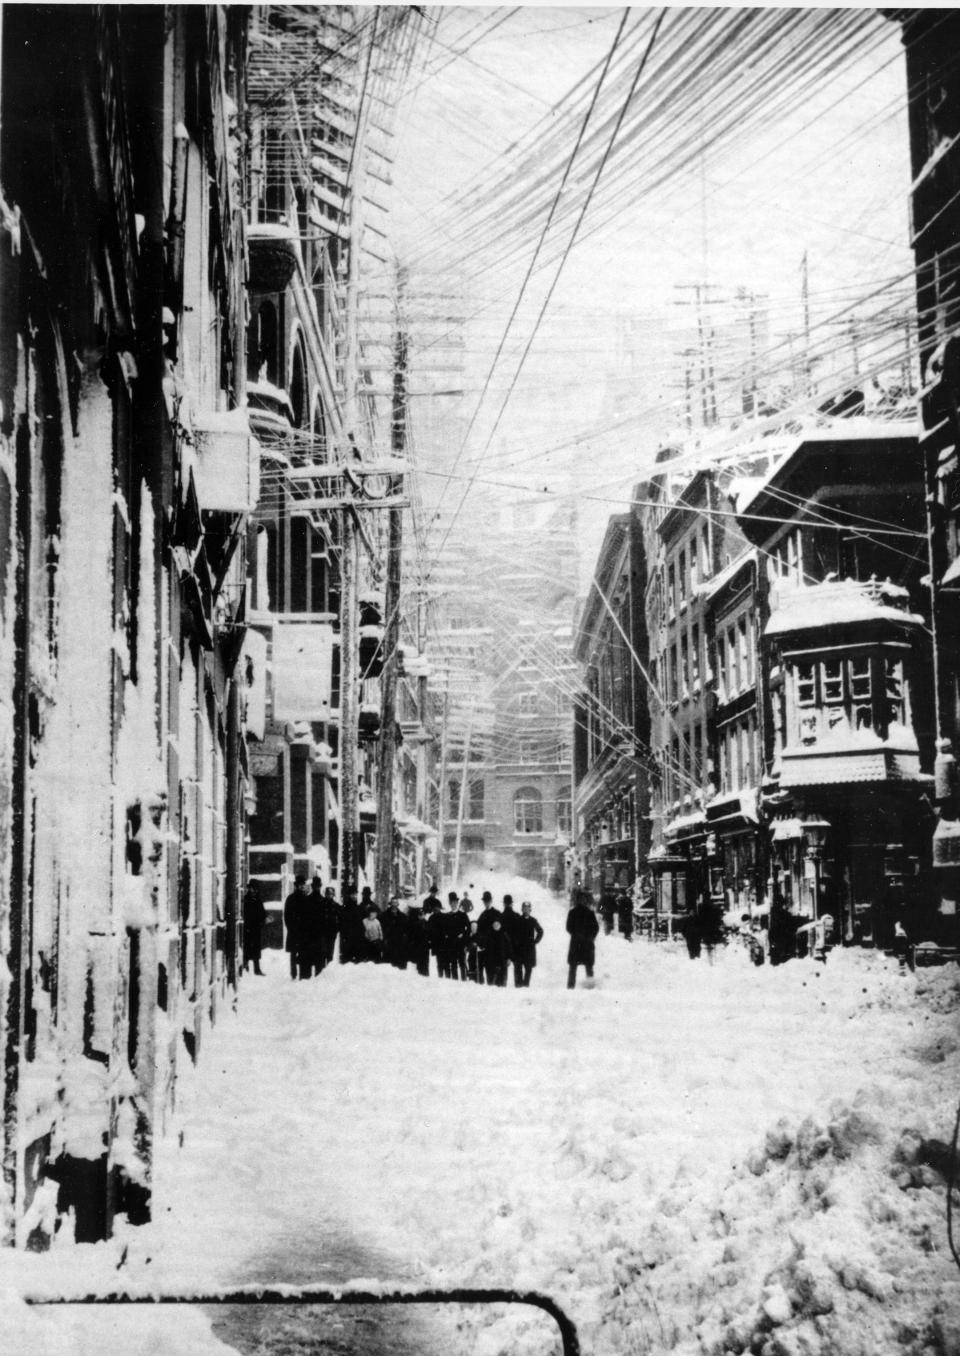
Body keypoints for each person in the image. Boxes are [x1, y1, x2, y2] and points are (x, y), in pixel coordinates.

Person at [566, 890, 599, 989]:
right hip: (587, 944)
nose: (582, 901)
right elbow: (595, 928)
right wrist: (590, 937)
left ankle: (570, 987)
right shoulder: (590, 913)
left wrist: (576, 934)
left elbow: (568, 927)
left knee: (573, 967)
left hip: (576, 943)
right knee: (588, 967)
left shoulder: (572, 912)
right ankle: (590, 987)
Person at [283, 875, 308, 980]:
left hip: (303, 931)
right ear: (296, 886)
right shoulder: (291, 898)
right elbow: (287, 915)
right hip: (294, 930)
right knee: (293, 953)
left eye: (303, 885)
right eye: (300, 885)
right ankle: (293, 974)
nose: (302, 887)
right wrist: (291, 927)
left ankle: (302, 974)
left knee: (303, 952)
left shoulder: (306, 899)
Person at [515, 900, 544, 987]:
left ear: (530, 910)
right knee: (519, 969)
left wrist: (535, 941)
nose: (526, 910)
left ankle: (526, 986)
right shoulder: (518, 920)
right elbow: (514, 933)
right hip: (520, 949)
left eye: (528, 908)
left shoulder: (533, 920)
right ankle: (519, 986)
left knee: (528, 969)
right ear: (522, 909)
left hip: (529, 949)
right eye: (524, 908)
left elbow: (540, 931)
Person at [475, 892, 502, 985]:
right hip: (483, 949)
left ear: (491, 901)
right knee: (484, 973)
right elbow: (478, 931)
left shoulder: (497, 913)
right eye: (484, 901)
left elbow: (499, 932)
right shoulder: (482, 915)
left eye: (488, 901)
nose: (486, 903)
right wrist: (479, 942)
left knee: (492, 974)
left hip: (494, 949)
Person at [500, 895, 525, 986]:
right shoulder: (517, 916)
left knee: (503, 975)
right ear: (511, 903)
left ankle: (502, 991)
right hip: (516, 947)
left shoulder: (501, 916)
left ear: (504, 904)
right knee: (518, 973)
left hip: (504, 948)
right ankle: (519, 990)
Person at [242, 880, 266, 975]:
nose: (253, 890)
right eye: (251, 888)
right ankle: (245, 967)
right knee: (247, 948)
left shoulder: (258, 900)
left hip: (256, 928)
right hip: (247, 927)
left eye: (255, 888)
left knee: (256, 949)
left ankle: (257, 969)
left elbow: (262, 912)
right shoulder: (245, 899)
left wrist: (263, 920)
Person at [483, 919, 513, 987]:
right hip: (491, 962)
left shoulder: (504, 935)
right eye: (494, 924)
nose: (496, 926)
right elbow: (486, 948)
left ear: (500, 925)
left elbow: (509, 947)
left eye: (497, 924)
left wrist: (509, 958)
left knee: (502, 982)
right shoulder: (489, 935)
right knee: (492, 982)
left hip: (502, 961)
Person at [319, 886, 341, 968]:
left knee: (330, 953)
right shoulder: (321, 905)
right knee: (322, 953)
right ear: (325, 894)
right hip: (322, 933)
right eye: (328, 894)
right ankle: (321, 971)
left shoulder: (336, 906)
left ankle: (328, 971)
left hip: (331, 933)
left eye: (331, 894)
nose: (329, 896)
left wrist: (336, 929)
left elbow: (340, 919)